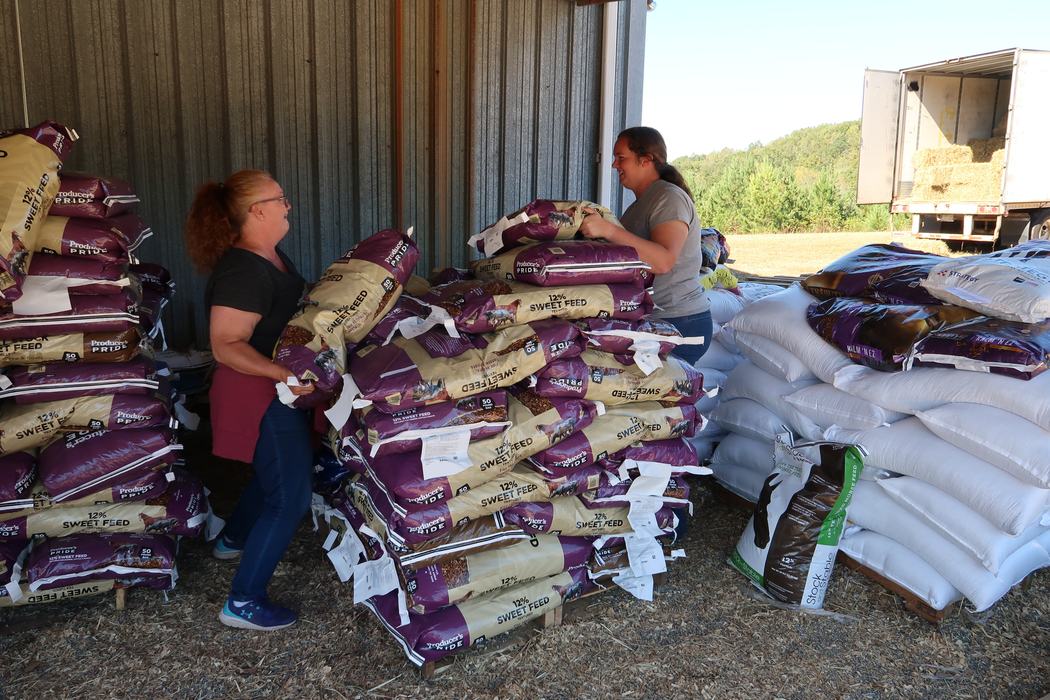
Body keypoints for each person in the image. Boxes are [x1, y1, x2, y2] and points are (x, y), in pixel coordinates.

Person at [185, 169, 315, 631]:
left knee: (272, 475)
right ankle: (242, 602)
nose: (288, 206)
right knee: (292, 495)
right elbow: (226, 344)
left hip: (272, 389)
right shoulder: (243, 269)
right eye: (281, 198)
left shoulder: (269, 255)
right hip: (256, 394)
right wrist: (283, 372)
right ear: (257, 211)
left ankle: (234, 538)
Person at [579, 126, 711, 365]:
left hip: (678, 322)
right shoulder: (642, 204)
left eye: (621, 158)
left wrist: (609, 230)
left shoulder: (668, 197)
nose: (614, 165)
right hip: (655, 320)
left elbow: (663, 261)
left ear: (646, 160)